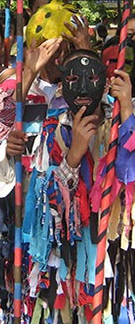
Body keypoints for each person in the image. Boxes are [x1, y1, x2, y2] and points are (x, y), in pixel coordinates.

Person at [21, 49, 135, 322]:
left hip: (113, 241)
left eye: (92, 78)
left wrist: (128, 108)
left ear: (106, 82)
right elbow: (42, 204)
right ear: (62, 85)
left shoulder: (120, 119)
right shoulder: (52, 128)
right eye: (73, 78)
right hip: (72, 250)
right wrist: (74, 155)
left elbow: (128, 175)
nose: (83, 88)